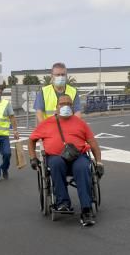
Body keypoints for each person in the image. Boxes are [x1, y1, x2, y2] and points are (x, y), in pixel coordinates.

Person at [28, 95, 103, 226]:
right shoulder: (47, 123)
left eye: (68, 104)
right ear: (57, 107)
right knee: (56, 164)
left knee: (82, 167)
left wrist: (99, 162)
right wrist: (33, 157)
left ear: (72, 107)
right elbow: (31, 140)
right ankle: (63, 203)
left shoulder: (80, 123)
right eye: (62, 104)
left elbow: (93, 143)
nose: (65, 106)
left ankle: (86, 209)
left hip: (78, 156)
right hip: (56, 157)